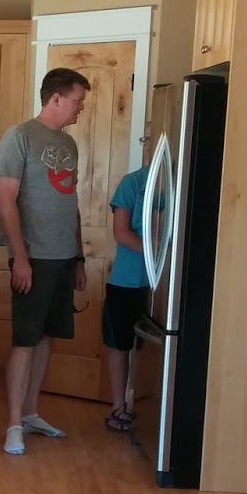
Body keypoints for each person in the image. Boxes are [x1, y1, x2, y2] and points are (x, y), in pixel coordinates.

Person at [0, 67, 91, 457]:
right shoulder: (19, 137)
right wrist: (20, 258)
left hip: (64, 257)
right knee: (26, 339)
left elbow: (71, 202)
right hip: (33, 258)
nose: (81, 108)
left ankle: (31, 413)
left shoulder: (68, 144)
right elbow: (5, 200)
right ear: (56, 98)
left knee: (47, 337)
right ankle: (13, 424)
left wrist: (79, 257)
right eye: (78, 101)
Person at [102, 163, 150, 433]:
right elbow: (120, 232)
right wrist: (156, 255)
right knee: (120, 345)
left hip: (160, 285)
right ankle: (118, 407)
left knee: (147, 348)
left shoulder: (179, 183)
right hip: (126, 280)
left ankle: (140, 404)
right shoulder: (133, 183)